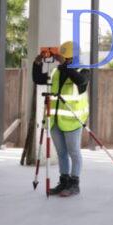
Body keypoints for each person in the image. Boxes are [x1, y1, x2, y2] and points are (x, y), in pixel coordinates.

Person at [32, 41, 90, 197]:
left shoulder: (83, 71)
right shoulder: (56, 72)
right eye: (64, 58)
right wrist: (37, 64)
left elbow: (80, 81)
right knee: (61, 153)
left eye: (67, 58)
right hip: (55, 120)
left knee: (74, 152)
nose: (64, 60)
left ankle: (74, 184)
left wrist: (64, 65)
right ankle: (64, 182)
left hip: (73, 120)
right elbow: (38, 79)